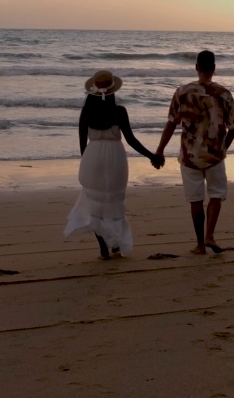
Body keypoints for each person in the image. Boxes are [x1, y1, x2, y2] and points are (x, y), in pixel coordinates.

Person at [65, 69, 164, 260]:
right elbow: (131, 140)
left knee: (95, 203)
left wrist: (87, 163)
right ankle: (116, 246)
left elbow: (81, 143)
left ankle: (103, 248)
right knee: (114, 202)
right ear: (113, 91)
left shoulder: (86, 111)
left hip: (92, 157)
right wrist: (152, 156)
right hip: (115, 158)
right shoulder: (119, 111)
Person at [155, 49, 234, 255]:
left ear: (196, 67)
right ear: (214, 68)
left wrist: (160, 150)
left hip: (189, 155)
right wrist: (223, 148)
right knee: (216, 195)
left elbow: (171, 124)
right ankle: (210, 235)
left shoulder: (182, 92)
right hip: (214, 156)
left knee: (195, 200)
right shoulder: (224, 93)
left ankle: (200, 245)